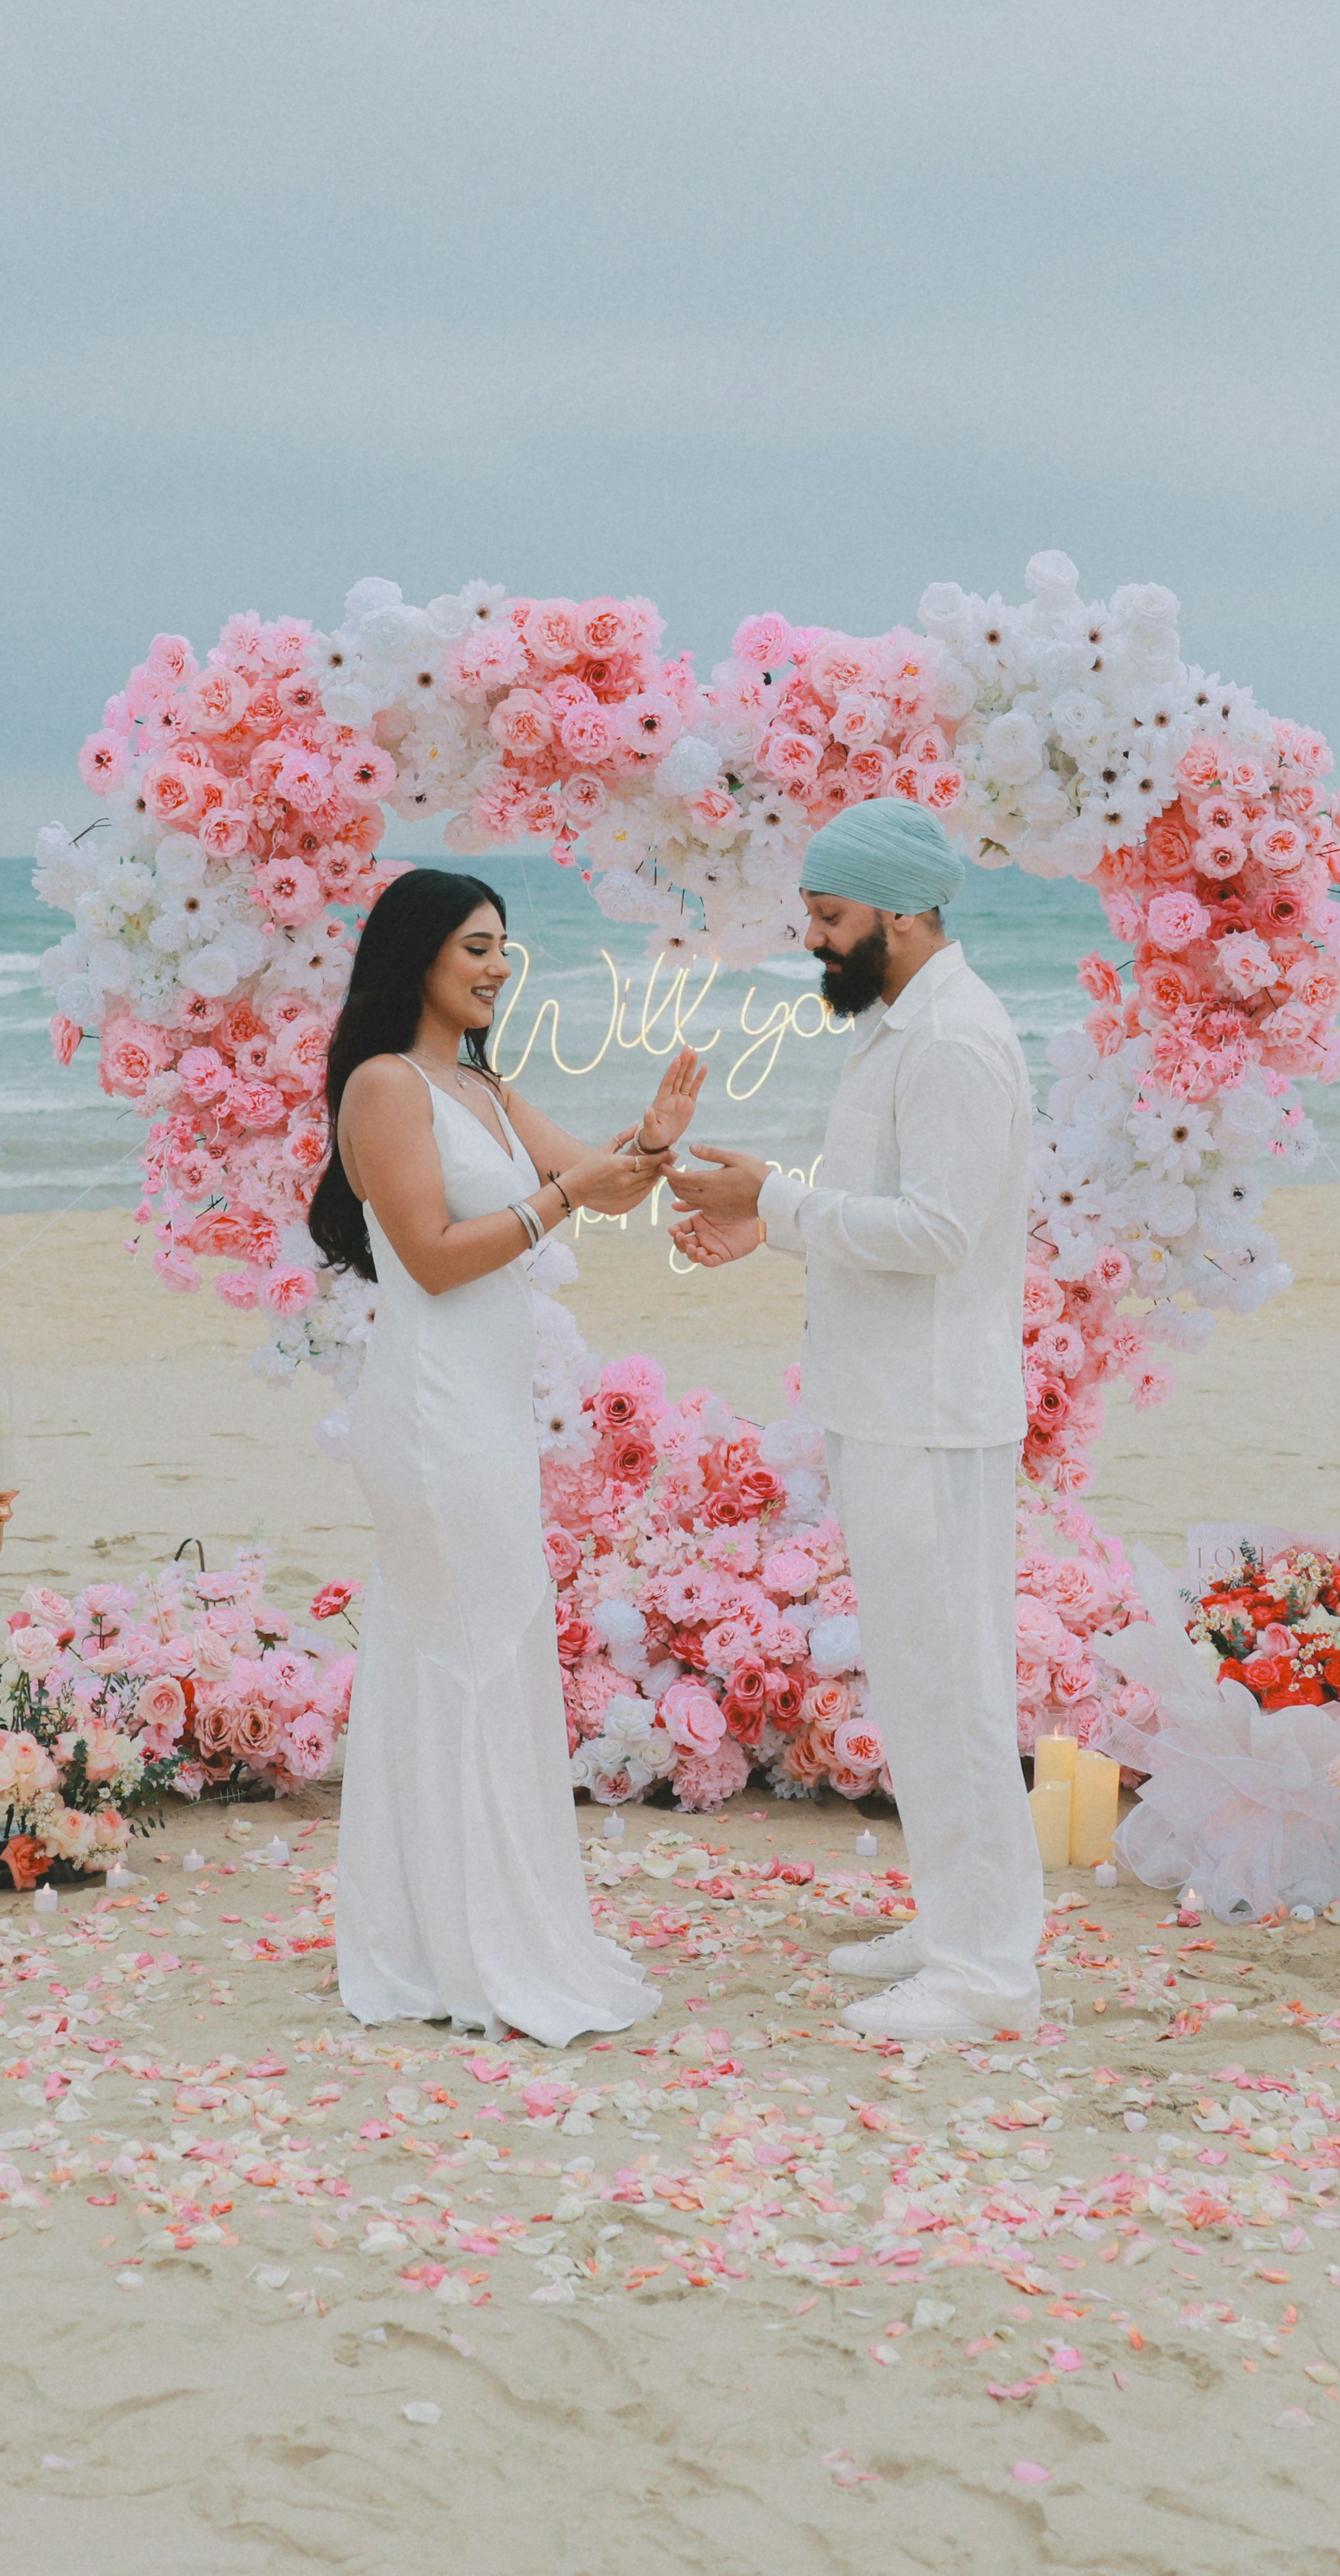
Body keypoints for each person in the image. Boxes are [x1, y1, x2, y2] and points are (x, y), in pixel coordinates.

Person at [666, 801, 1042, 2040]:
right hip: (886, 1402)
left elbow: (936, 1232)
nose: (814, 939)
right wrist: (765, 1223)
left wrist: (776, 1199)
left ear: (901, 909)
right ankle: (951, 1926)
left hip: (931, 1414)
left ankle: (987, 1976)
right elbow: (878, 1212)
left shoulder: (953, 1041)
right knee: (918, 1680)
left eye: (829, 917)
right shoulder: (899, 1027)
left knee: (956, 1689)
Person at [314, 864, 703, 2042]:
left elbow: (604, 1186)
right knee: (464, 1656)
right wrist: (566, 1196)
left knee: (492, 1651)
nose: (495, 967)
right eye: (475, 946)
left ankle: (468, 1928)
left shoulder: (479, 1086)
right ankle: (456, 1947)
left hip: (484, 1410)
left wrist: (651, 1145)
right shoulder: (385, 1085)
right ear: (417, 955)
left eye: (503, 948)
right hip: (430, 1413)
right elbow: (432, 1256)